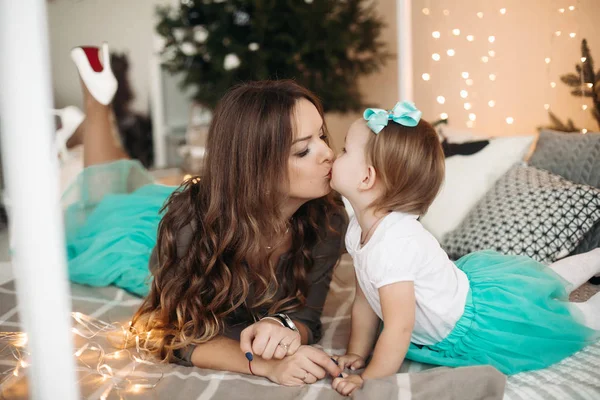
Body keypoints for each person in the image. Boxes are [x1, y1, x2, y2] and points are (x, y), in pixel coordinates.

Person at [63, 43, 344, 385]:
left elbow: (306, 318)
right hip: (140, 239)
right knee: (102, 198)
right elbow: (165, 333)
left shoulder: (328, 218)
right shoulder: (189, 228)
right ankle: (96, 105)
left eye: (322, 136)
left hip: (219, 204)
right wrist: (263, 364)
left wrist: (281, 325)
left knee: (125, 178)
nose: (329, 153)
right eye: (303, 150)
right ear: (254, 167)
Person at [328, 101, 600, 396]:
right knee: (539, 283)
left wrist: (368, 379)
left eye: (344, 150)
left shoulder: (394, 245)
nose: (332, 155)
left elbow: (398, 328)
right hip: (461, 291)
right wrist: (356, 353)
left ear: (366, 178)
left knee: (560, 321)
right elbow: (365, 300)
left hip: (475, 326)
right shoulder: (358, 229)